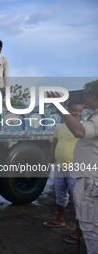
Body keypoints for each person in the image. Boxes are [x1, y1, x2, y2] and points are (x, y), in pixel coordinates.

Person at [59, 85, 98, 254]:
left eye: (88, 95)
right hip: (90, 177)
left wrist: (59, 106)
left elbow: (79, 131)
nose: (86, 99)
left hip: (89, 180)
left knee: (90, 229)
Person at [42, 99, 83, 243]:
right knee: (60, 196)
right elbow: (53, 146)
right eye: (74, 111)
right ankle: (60, 220)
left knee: (79, 201)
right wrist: (48, 164)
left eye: (80, 111)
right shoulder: (59, 127)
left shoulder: (81, 128)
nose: (78, 114)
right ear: (67, 111)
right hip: (59, 167)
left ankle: (80, 230)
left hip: (75, 169)